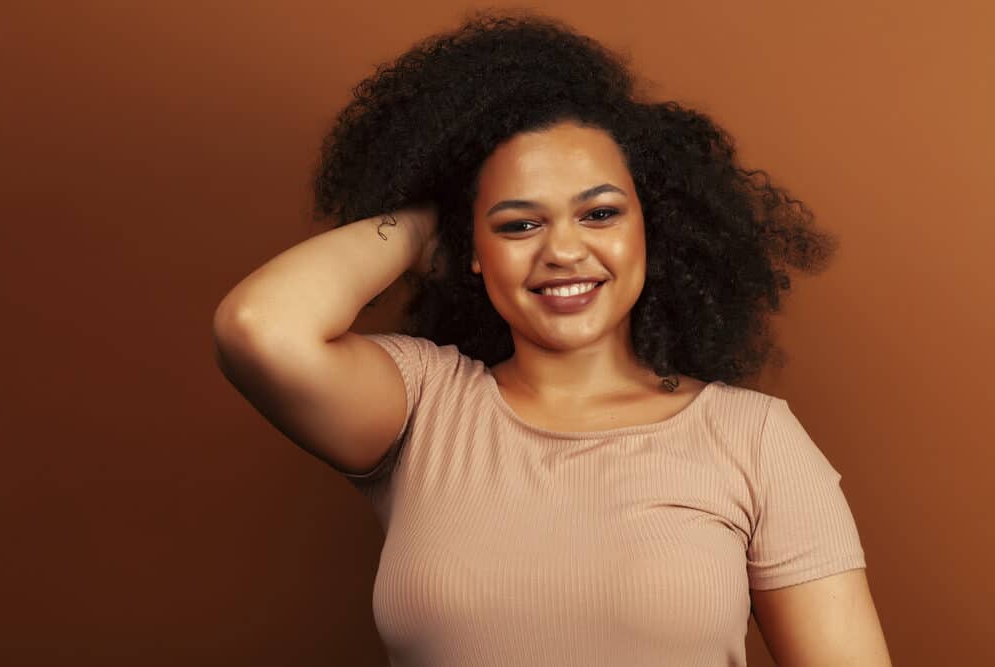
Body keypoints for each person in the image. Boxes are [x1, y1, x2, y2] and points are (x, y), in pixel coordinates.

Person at [213, 10, 892, 666]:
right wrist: (433, 223)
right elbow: (260, 328)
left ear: (649, 229)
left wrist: (484, 220)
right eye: (519, 224)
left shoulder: (755, 439)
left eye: (599, 213)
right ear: (471, 250)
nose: (564, 250)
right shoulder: (423, 406)